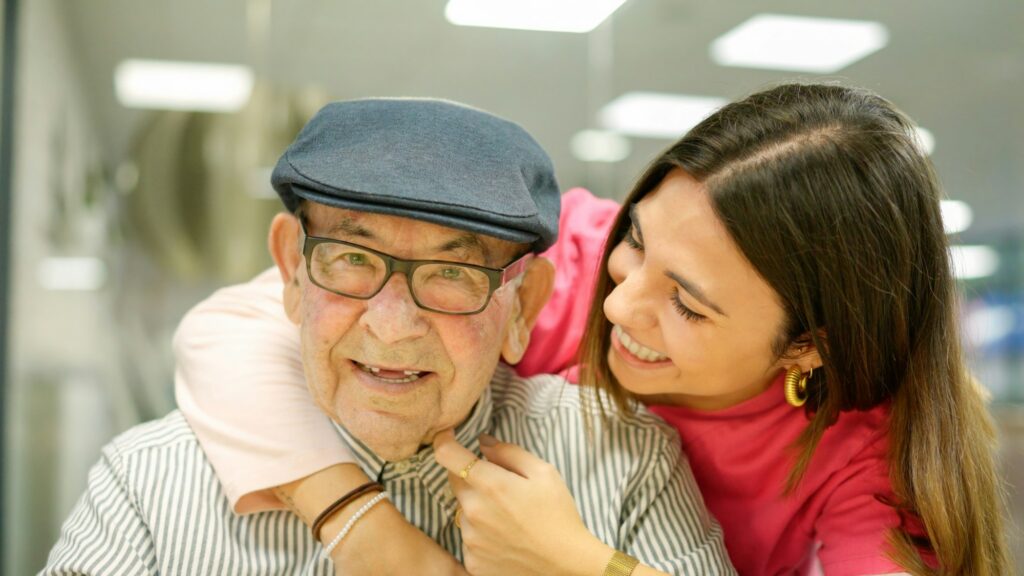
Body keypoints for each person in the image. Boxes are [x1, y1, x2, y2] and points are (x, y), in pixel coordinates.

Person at [165, 83, 1011, 575]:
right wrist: (370, 534)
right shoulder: (562, 268)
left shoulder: (866, 459)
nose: (619, 308)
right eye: (637, 242)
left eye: (688, 303)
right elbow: (226, 330)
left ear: (806, 346)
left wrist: (575, 561)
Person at [42, 98, 735, 575]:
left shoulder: (626, 462)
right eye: (351, 259)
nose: (392, 327)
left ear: (522, 304)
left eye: (453, 273)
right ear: (290, 268)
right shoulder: (149, 481)